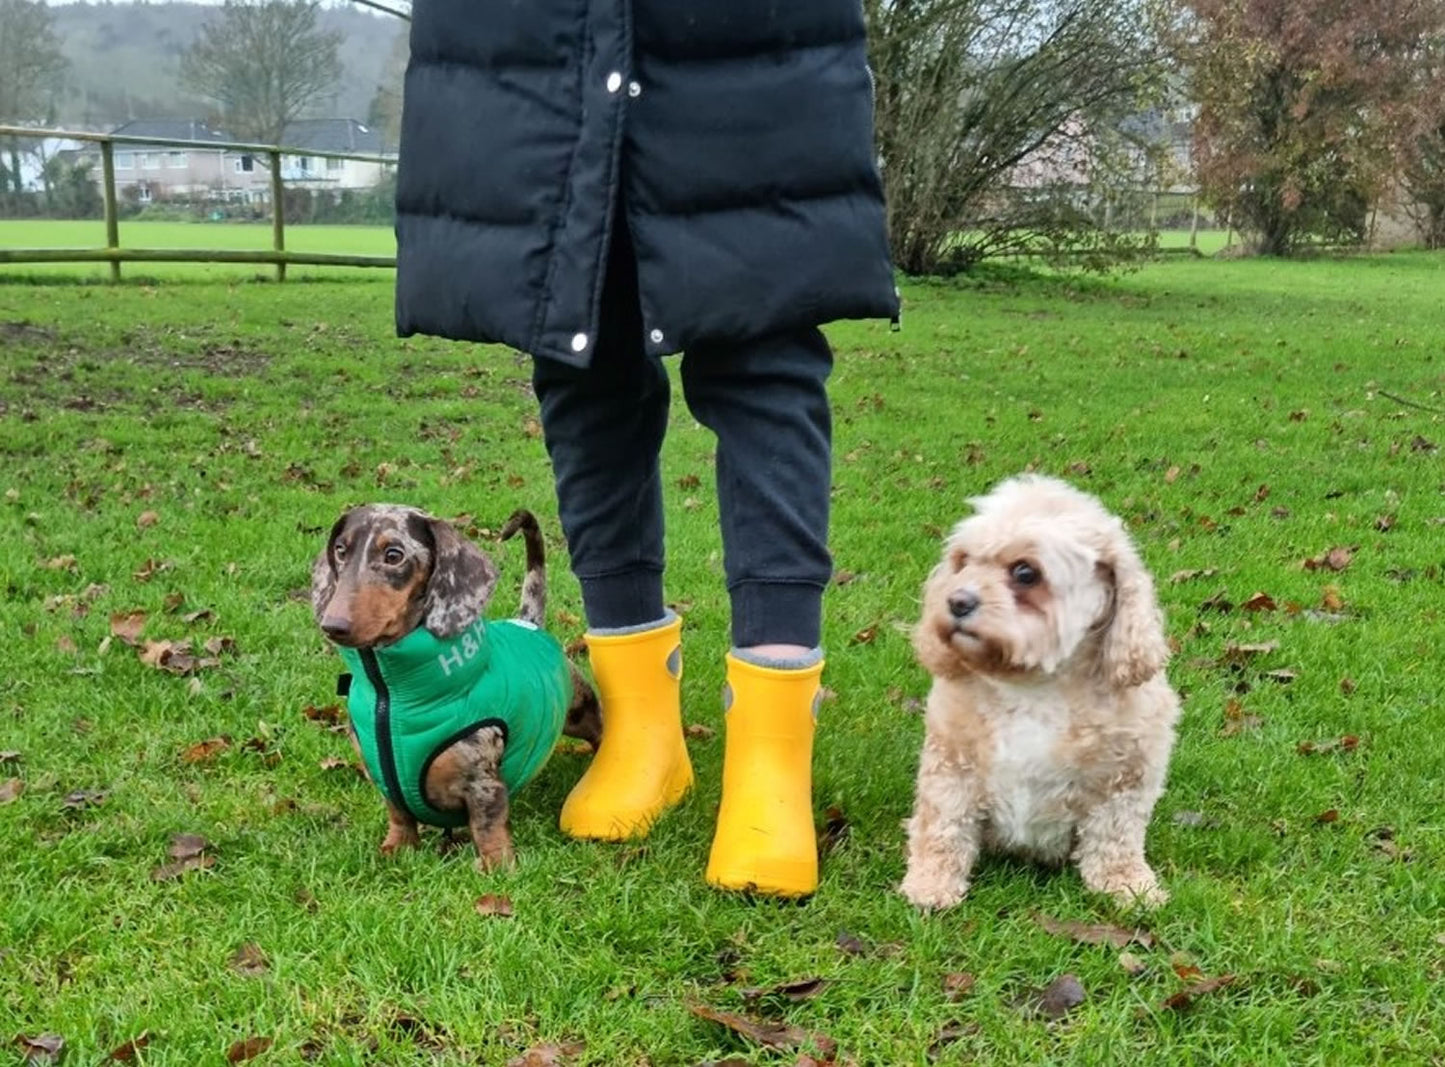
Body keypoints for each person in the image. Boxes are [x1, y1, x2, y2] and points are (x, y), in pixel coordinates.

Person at [393, 0, 899, 898]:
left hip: (747, 43)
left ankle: (770, 761)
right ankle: (641, 731)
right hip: (533, 41)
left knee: (764, 347)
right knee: (579, 347)